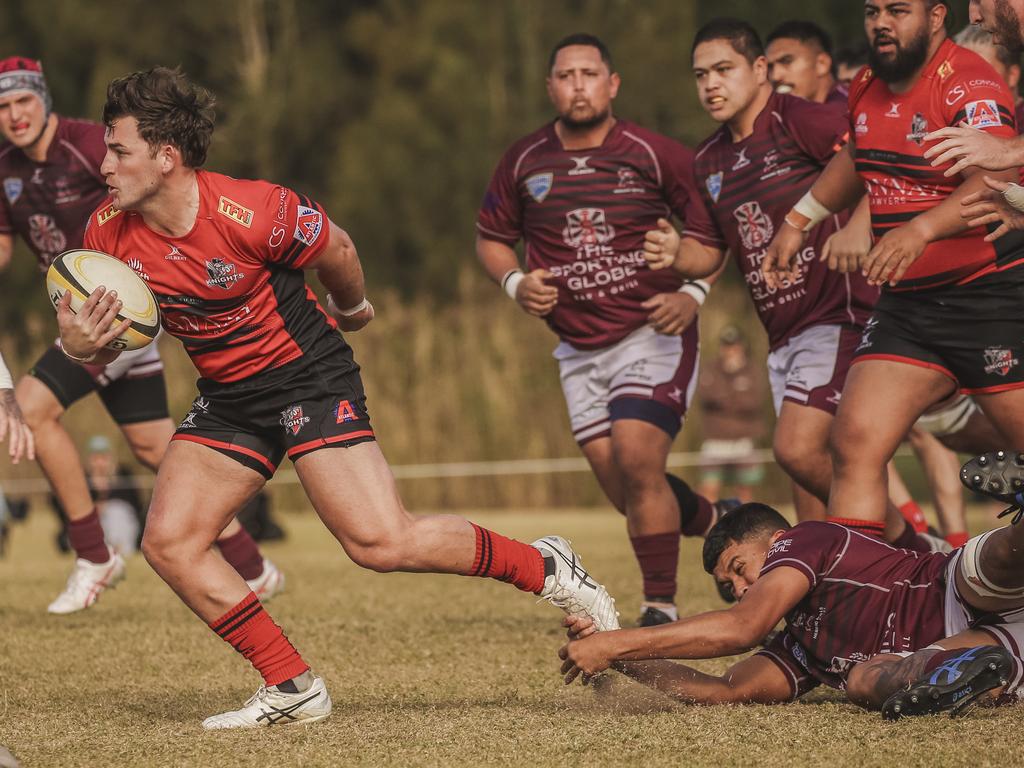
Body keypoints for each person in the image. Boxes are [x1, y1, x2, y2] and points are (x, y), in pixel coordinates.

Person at [65, 66, 618, 729]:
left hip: (307, 375)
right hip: (229, 395)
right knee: (172, 543)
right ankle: (292, 687)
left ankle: (547, 564)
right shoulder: (105, 235)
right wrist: (78, 344)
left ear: (165, 156)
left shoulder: (254, 209)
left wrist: (351, 307)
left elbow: (338, 247)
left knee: (380, 543)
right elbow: (107, 344)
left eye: (118, 149)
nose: (104, 164)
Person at [0, 56, 282, 613]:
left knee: (31, 409)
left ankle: (94, 554)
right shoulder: (3, 166)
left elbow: (162, 187)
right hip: (82, 317)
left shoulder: (88, 145)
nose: (14, 115)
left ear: (44, 98)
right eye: (3, 107)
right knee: (154, 447)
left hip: (114, 318)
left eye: (23, 100)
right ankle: (255, 566)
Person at [644, 20, 934, 546]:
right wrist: (674, 254)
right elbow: (707, 249)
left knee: (798, 449)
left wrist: (862, 224)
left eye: (724, 70)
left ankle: (915, 548)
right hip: (783, 335)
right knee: (811, 472)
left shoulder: (797, 118)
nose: (711, 84)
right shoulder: (708, 159)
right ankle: (862, 571)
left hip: (838, 315)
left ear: (759, 71)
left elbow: (879, 158)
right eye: (701, 74)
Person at [476, 33, 731, 626]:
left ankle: (659, 608)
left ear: (612, 84)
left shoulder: (654, 151)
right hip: (577, 348)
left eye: (589, 74)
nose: (578, 85)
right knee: (625, 489)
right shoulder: (523, 159)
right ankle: (717, 520)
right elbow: (491, 238)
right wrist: (516, 284)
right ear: (550, 87)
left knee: (639, 458)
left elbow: (713, 231)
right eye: (566, 76)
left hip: (652, 332)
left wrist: (693, 292)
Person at [763, 0, 1024, 538]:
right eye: (872, 11)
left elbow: (995, 177)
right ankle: (872, 588)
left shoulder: (969, 82)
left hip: (987, 298)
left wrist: (921, 229)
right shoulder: (864, 83)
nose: (881, 22)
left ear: (934, 16)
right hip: (907, 306)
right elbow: (857, 156)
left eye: (897, 10)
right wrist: (799, 218)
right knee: (853, 440)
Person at [558, 479, 1024, 719]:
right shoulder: (801, 643)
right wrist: (618, 655)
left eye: (739, 569)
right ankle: (957, 677)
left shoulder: (805, 539)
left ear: (777, 540)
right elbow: (723, 691)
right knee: (863, 680)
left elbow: (744, 627)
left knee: (987, 567)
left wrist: (614, 643)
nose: (741, 589)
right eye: (731, 587)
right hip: (973, 641)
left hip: (949, 584)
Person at [696, 325, 768, 504]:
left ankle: (745, 528)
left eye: (734, 345)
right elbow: (705, 396)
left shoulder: (753, 369)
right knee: (709, 488)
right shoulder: (710, 368)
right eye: (726, 345)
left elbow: (754, 402)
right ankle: (710, 527)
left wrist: (724, 397)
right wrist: (736, 392)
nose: (730, 350)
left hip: (744, 439)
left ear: (741, 346)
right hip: (715, 439)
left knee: (744, 491)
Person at [766, 20, 848, 105]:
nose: (775, 76)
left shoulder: (851, 110)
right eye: (770, 67)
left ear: (822, 64)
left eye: (787, 61)